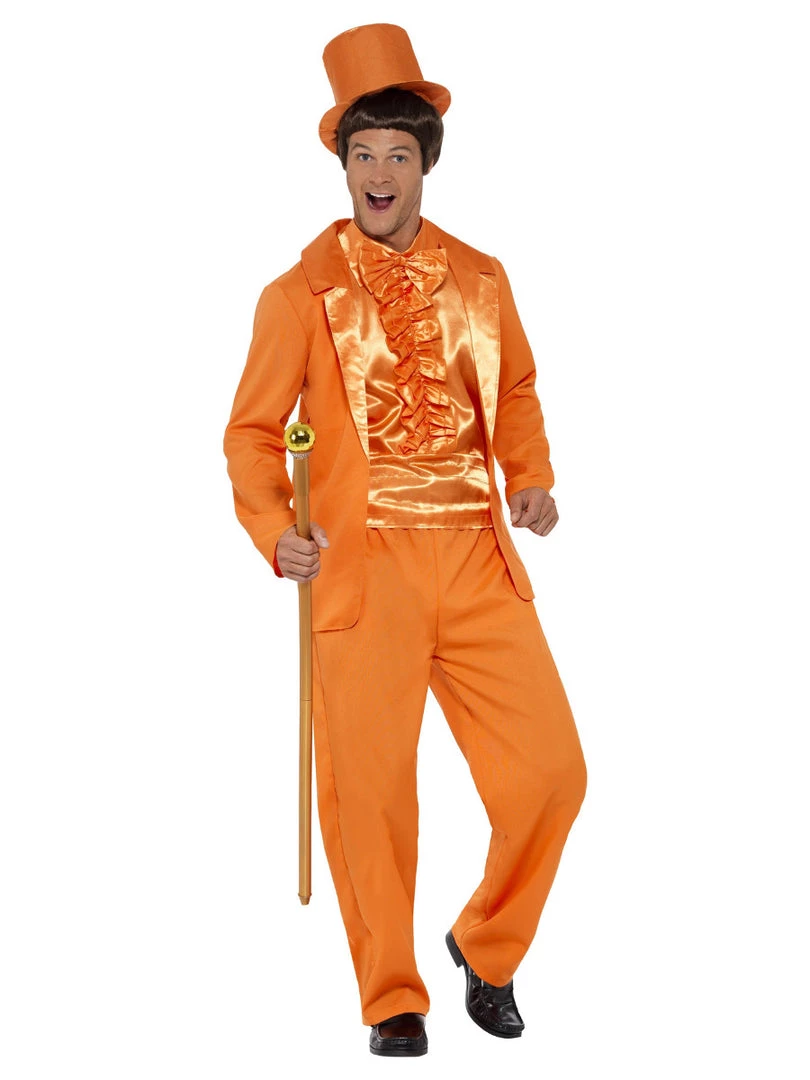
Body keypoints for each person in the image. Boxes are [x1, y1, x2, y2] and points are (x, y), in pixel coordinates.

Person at [224, 23, 586, 1058]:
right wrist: (276, 532)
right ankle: (392, 993)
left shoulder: (484, 279)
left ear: (426, 164)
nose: (379, 173)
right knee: (373, 795)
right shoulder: (297, 296)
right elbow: (252, 434)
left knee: (552, 772)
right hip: (362, 568)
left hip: (477, 559)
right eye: (362, 154)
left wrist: (530, 477)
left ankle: (489, 944)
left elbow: (516, 390)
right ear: (342, 166)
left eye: (398, 153)